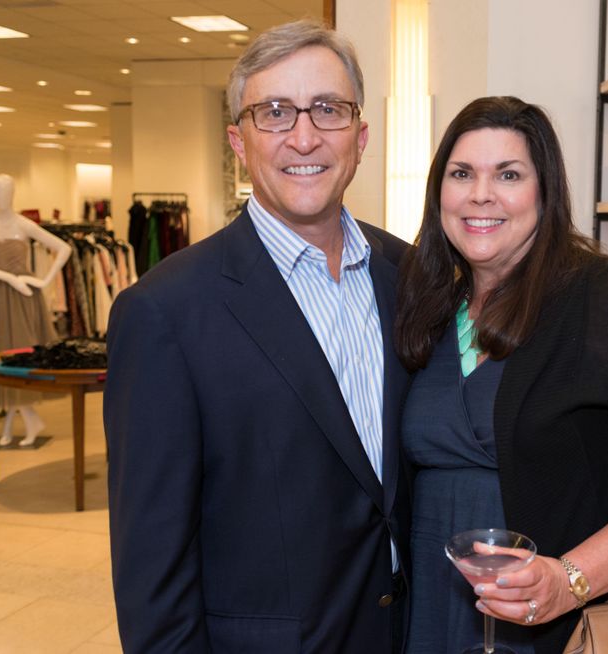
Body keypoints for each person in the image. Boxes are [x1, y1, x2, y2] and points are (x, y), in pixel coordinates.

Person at [104, 20, 411, 654]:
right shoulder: (164, 312)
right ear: (238, 143)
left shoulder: (410, 276)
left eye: (327, 109)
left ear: (362, 136)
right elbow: (152, 572)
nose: (304, 136)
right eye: (273, 113)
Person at [395, 96, 608, 654]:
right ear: (439, 194)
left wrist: (568, 580)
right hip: (433, 616)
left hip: (566, 629)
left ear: (544, 192)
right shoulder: (425, 306)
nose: (481, 194)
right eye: (462, 174)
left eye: (508, 174)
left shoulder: (607, 302)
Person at [0, 173, 70, 446]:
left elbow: (63, 248)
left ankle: (17, 423)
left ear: (14, 193)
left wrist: (43, 281)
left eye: (7, 190)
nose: (2, 195)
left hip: (21, 297)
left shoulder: (24, 224)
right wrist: (10, 278)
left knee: (17, 355)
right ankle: (16, 423)